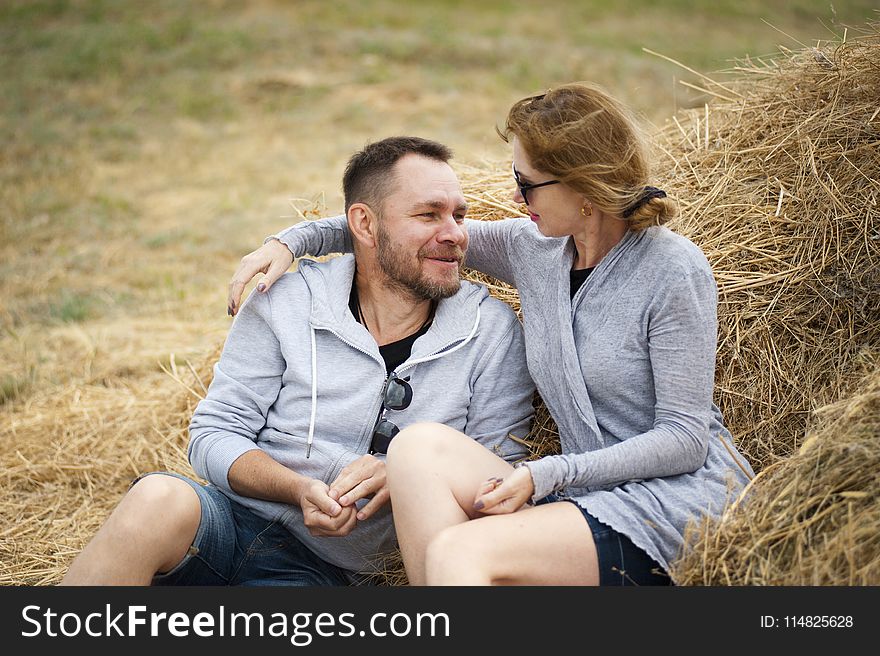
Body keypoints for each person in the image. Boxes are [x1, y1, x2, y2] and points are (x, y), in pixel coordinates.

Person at [227, 82, 756, 586]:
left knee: (457, 551)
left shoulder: (672, 267)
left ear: (583, 184)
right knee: (415, 449)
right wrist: (290, 242)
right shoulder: (537, 249)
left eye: (527, 183)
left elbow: (685, 440)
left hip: (675, 502)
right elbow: (397, 233)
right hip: (582, 499)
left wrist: (551, 473)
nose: (516, 194)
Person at [60, 136, 535, 586]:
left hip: (331, 572)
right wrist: (295, 489)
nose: (454, 234)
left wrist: (409, 474)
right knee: (155, 498)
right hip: (231, 522)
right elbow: (213, 433)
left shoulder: (491, 332)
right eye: (429, 215)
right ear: (365, 224)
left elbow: (499, 474)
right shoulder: (286, 299)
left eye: (459, 215)